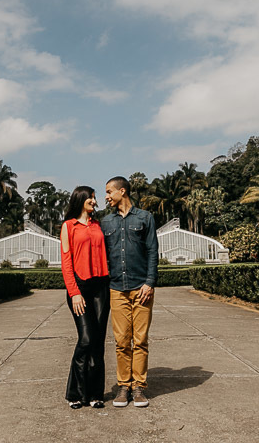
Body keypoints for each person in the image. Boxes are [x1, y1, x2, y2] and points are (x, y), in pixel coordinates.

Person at [101, 175, 157, 408]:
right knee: (122, 341)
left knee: (140, 340)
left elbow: (152, 251)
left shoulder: (145, 217)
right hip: (116, 288)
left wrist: (150, 282)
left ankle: (139, 388)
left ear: (122, 191)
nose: (106, 197)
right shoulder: (105, 222)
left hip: (141, 288)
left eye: (109, 192)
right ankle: (124, 386)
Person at [59, 185, 110, 409]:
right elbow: (66, 262)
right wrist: (75, 293)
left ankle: (96, 393)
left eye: (94, 198)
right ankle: (76, 393)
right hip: (80, 288)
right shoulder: (68, 226)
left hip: (101, 287)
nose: (94, 201)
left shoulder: (98, 224)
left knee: (98, 343)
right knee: (86, 339)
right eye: (91, 197)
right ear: (80, 199)